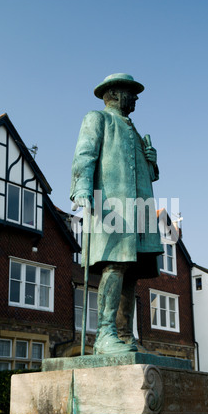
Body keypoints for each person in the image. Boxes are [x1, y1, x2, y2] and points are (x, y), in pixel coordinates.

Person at [70, 73, 163, 355]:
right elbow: (84, 155)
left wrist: (152, 164)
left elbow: (146, 175)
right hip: (111, 205)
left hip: (139, 211)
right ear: (115, 93)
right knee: (115, 264)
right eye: (130, 93)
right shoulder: (97, 118)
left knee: (131, 271)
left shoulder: (134, 130)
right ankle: (104, 334)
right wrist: (82, 188)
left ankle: (125, 337)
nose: (135, 98)